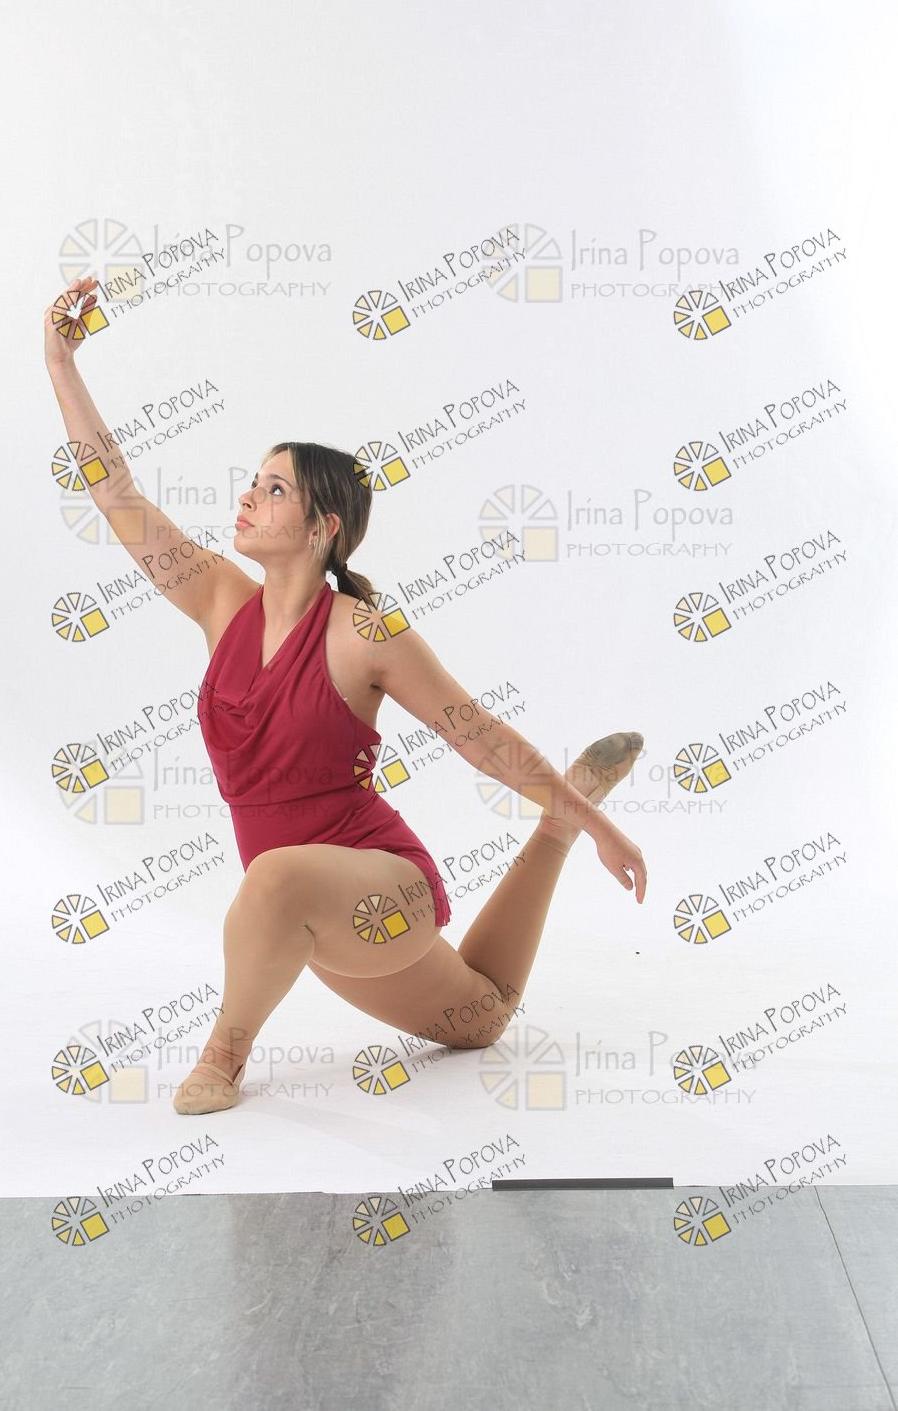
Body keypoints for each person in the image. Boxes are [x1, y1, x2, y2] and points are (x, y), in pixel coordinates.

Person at [44, 275, 648, 1117]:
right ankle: (558, 826)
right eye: (254, 481)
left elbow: (478, 736)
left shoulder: (365, 633)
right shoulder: (218, 599)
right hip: (301, 914)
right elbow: (116, 494)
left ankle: (224, 1054)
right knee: (478, 1019)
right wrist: (61, 363)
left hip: (382, 893)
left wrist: (610, 832)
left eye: (275, 489)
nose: (248, 496)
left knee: (274, 878)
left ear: (323, 527)